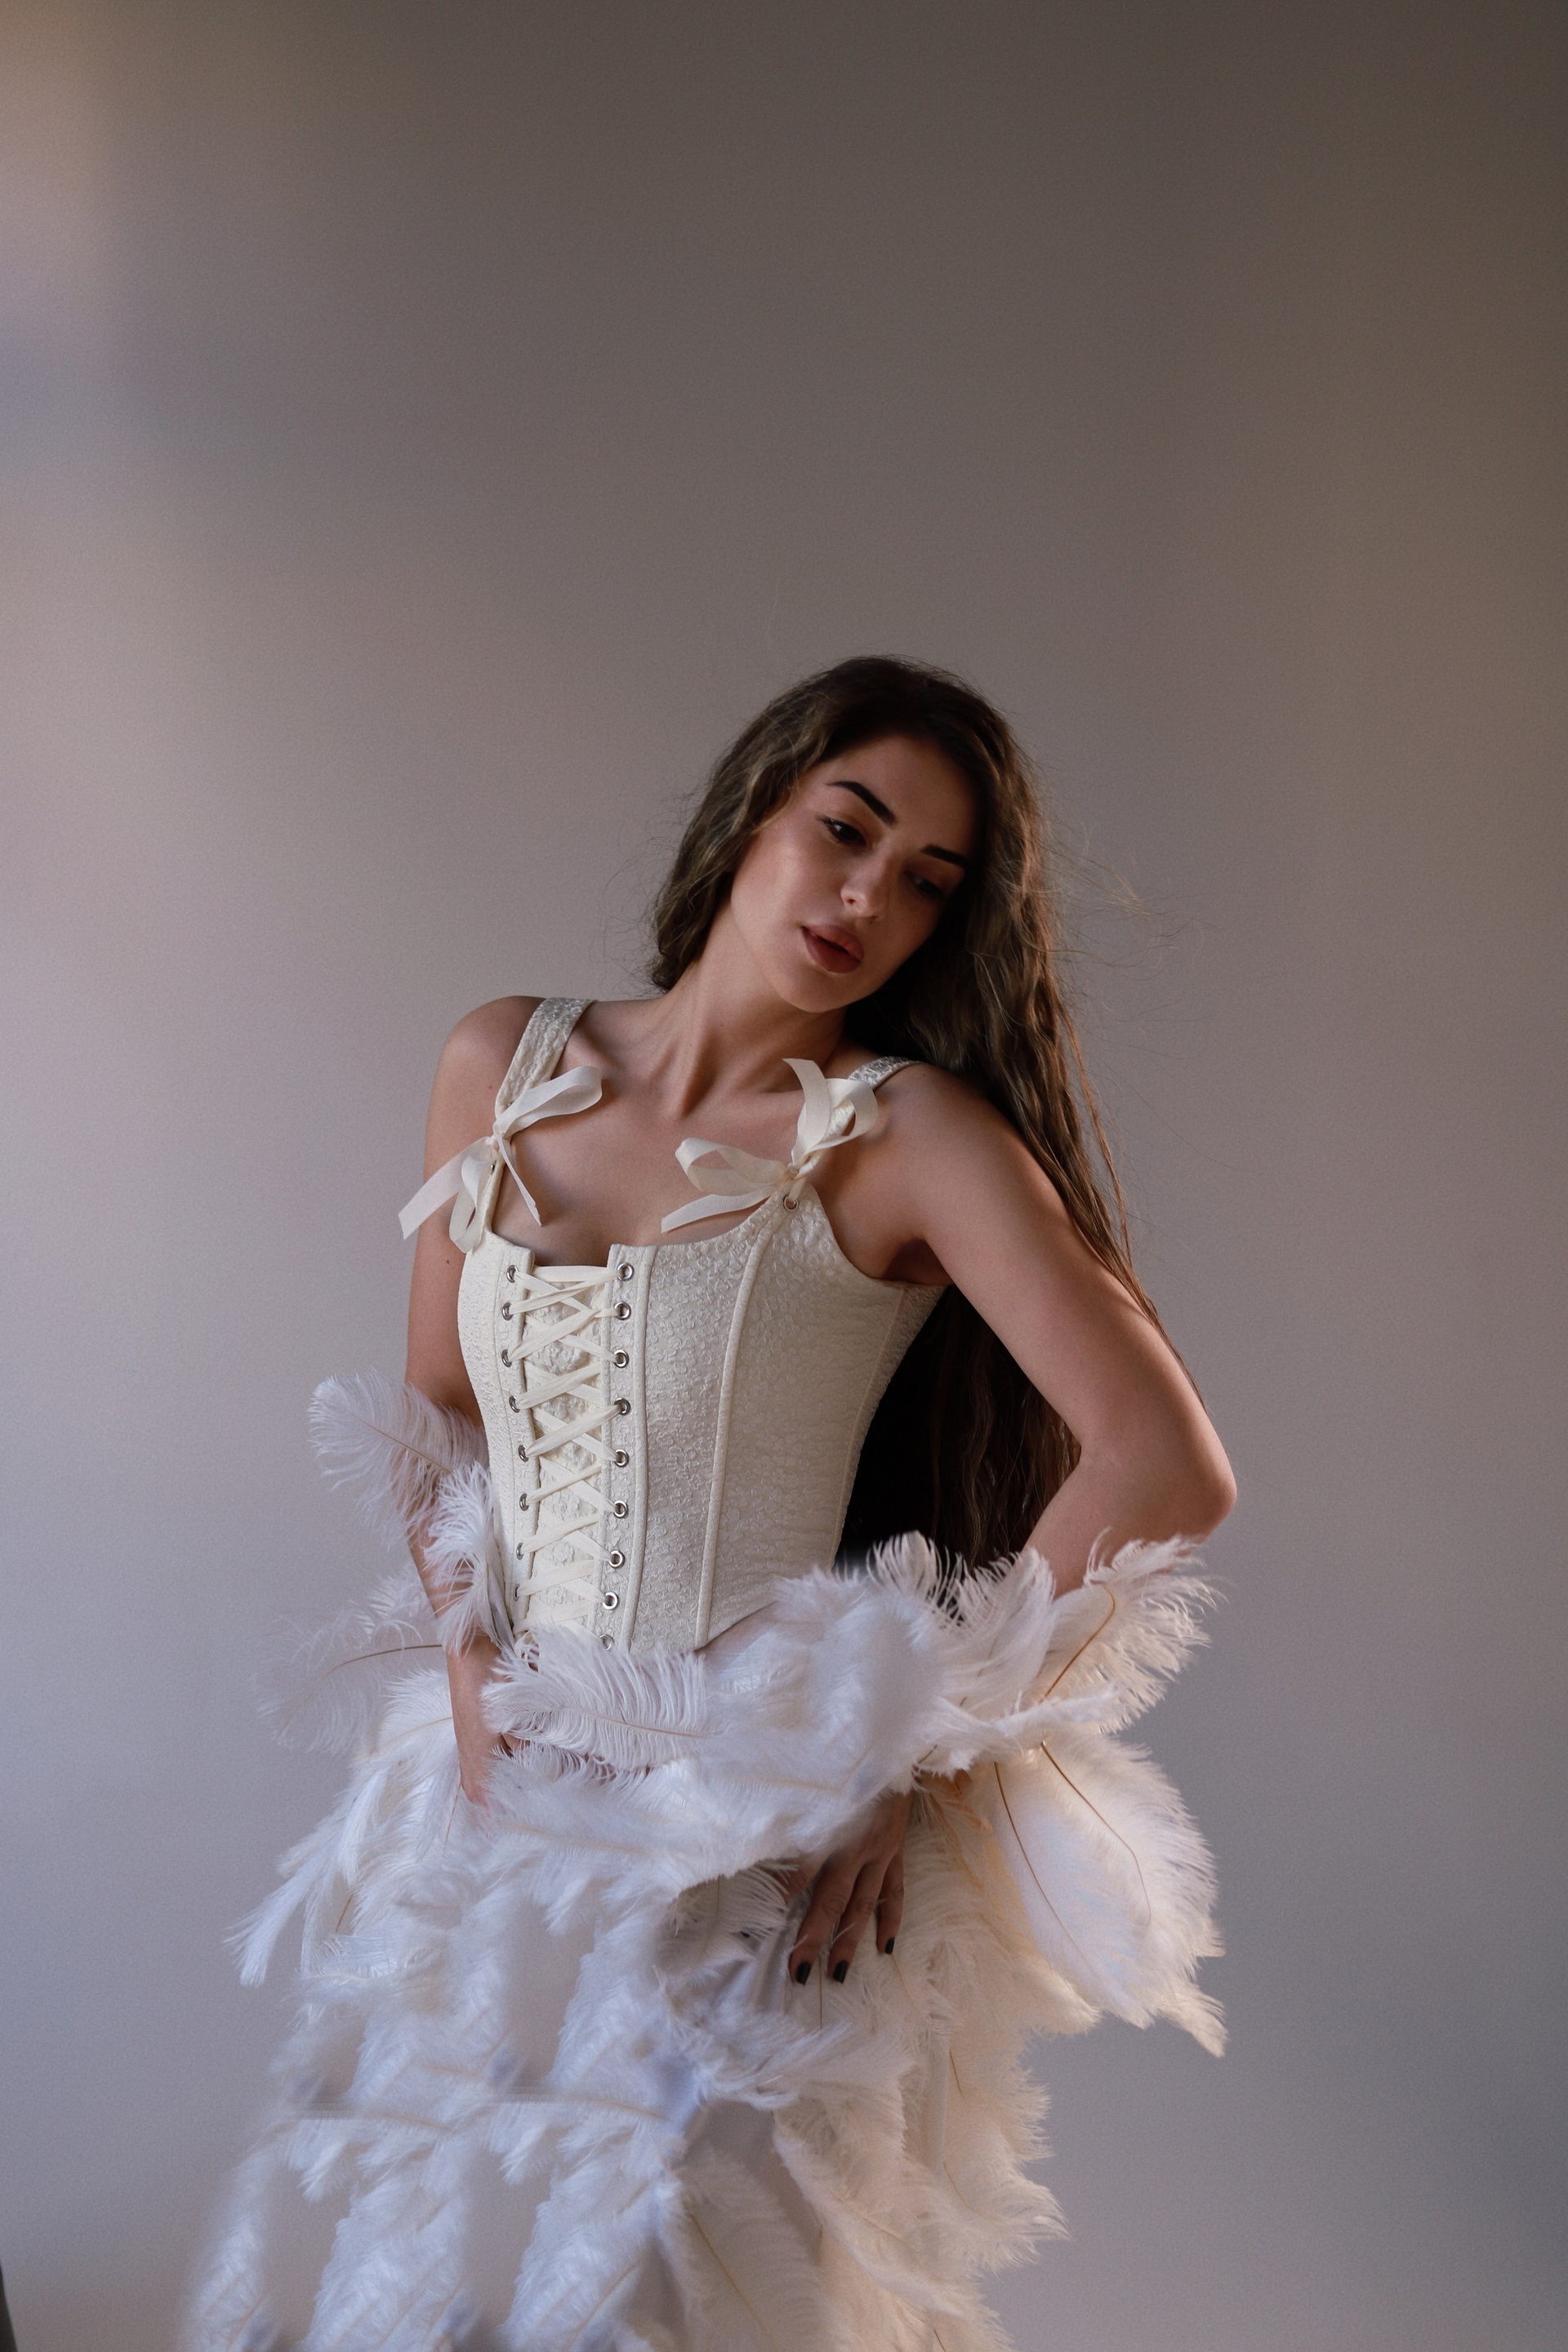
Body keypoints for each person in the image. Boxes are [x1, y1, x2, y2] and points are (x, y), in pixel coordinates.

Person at [189, 657, 1235, 2352]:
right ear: (758, 805)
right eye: (849, 829)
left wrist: (907, 1749)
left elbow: (1162, 1463)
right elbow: (439, 1411)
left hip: (746, 1841)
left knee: (667, 2308)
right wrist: (463, 1648)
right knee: (428, 2302)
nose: (869, 898)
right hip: (478, 1823)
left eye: (928, 882)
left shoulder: (907, 1136)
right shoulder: (500, 1060)